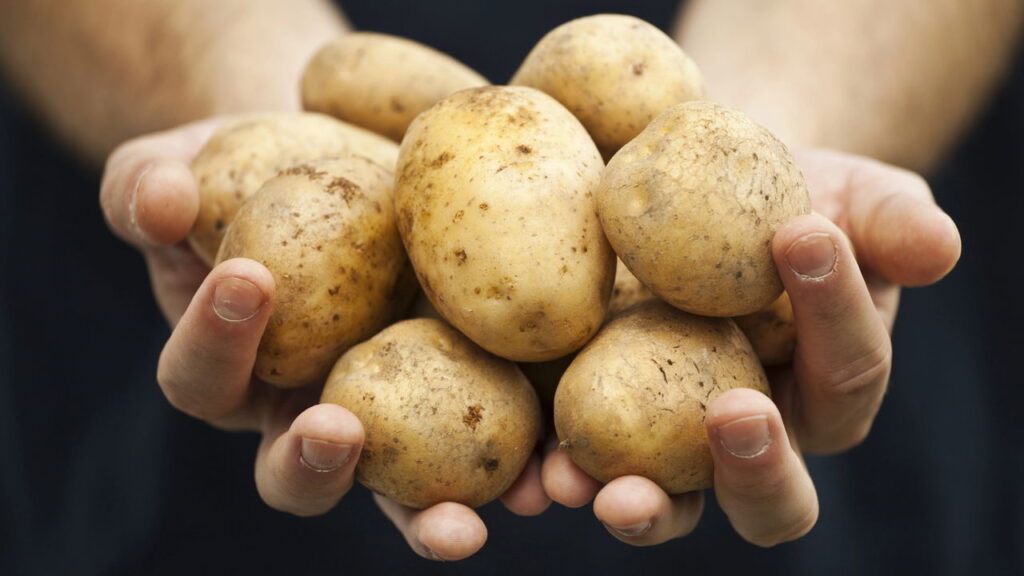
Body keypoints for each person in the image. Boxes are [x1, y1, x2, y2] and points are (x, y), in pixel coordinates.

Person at [0, 0, 1020, 573]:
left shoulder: (673, 209)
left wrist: (796, 127)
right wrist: (235, 120)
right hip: (144, 443)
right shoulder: (403, 168)